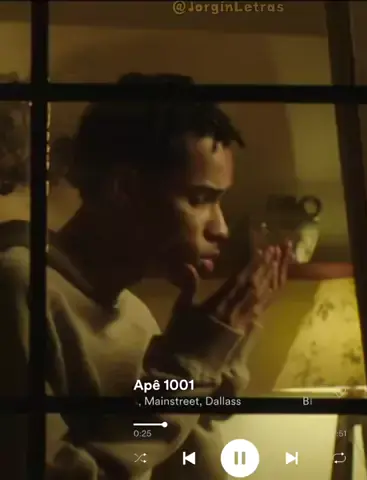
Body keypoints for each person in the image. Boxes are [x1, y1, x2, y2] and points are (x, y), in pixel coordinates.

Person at [1, 73, 291, 479]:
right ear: (123, 189)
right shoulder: (18, 288)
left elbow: (170, 455)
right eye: (200, 199)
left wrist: (218, 352)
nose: (221, 228)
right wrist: (189, 367)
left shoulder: (136, 317)